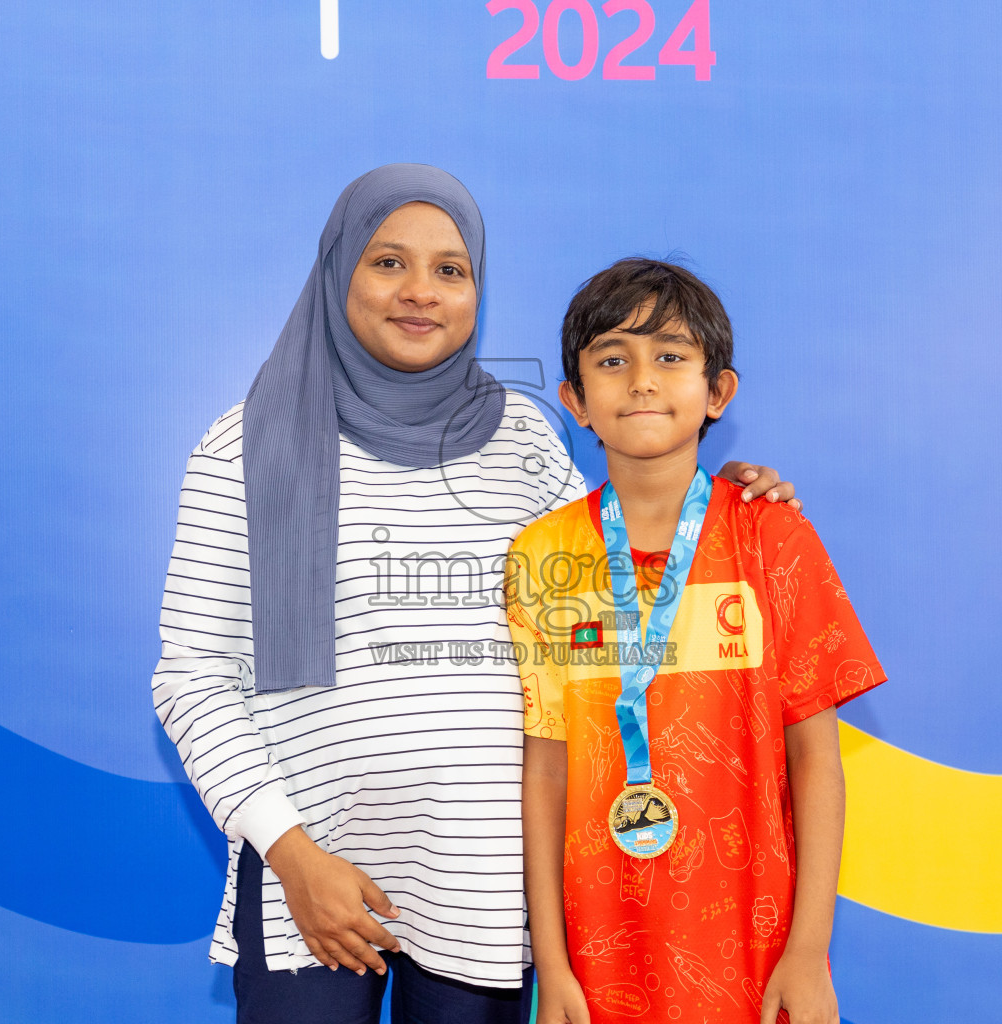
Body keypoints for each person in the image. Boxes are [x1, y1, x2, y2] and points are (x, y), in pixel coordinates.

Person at [151, 166, 799, 1024]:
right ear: (338, 268)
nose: (421, 292)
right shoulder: (244, 446)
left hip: (483, 885)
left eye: (451, 270)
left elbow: (621, 563)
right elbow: (190, 679)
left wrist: (734, 505)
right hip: (310, 871)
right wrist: (291, 854)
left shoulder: (526, 437)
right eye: (388, 262)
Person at [509, 258, 886, 1024]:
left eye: (671, 357)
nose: (642, 380)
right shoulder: (540, 558)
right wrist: (553, 967)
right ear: (575, 401)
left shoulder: (772, 536)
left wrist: (808, 952)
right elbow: (544, 771)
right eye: (612, 360)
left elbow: (816, 757)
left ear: (718, 392)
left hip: (755, 951)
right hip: (597, 954)